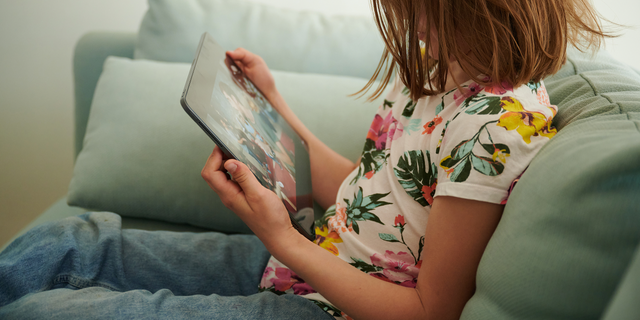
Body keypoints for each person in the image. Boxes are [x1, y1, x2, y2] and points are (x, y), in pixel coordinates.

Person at [0, 0, 611, 319]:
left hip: (326, 305)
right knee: (70, 246)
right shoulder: (442, 76)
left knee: (47, 312)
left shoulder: (498, 128)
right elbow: (376, 193)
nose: (405, 20)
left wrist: (279, 237)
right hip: (309, 259)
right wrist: (273, 107)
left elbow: (432, 312)